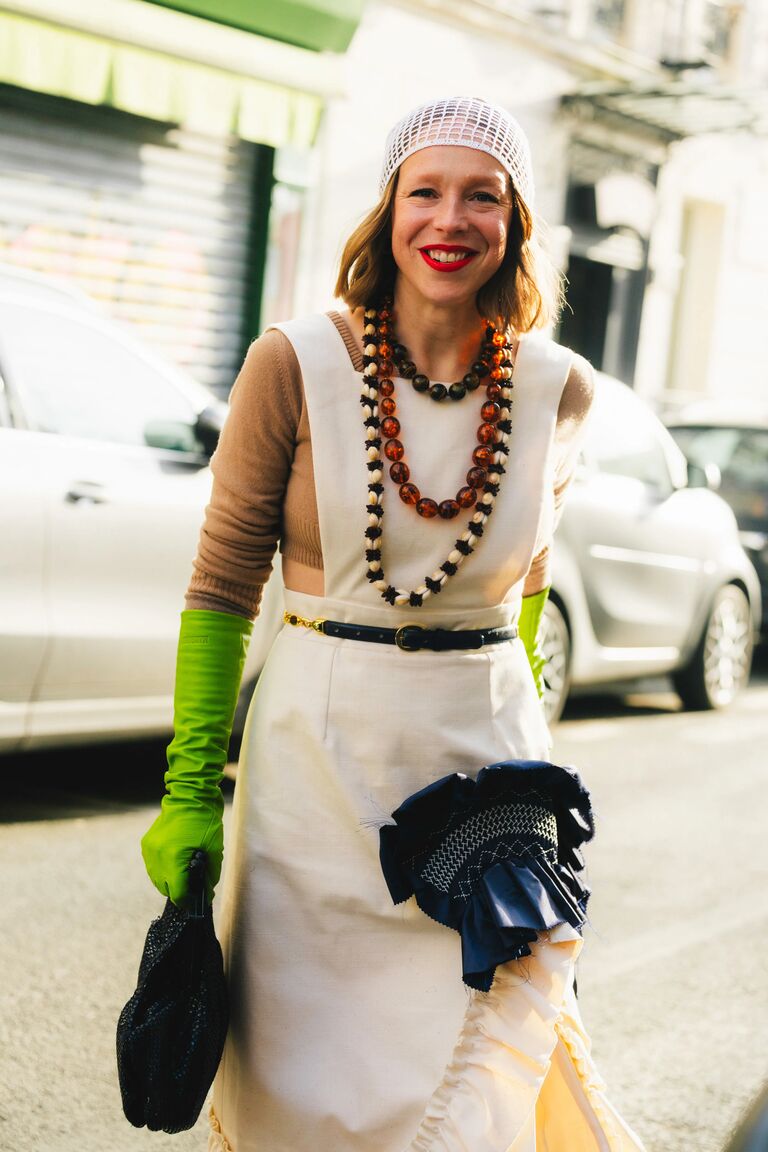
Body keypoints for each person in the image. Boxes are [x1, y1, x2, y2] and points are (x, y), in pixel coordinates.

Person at [141, 96, 646, 1152]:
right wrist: (190, 789)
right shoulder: (293, 362)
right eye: (426, 190)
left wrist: (536, 758)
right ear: (387, 209)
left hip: (484, 794)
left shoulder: (561, 390)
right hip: (313, 781)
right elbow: (225, 578)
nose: (450, 219)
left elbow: (532, 590)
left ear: (515, 224)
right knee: (304, 1077)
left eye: (482, 195)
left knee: (471, 1073)